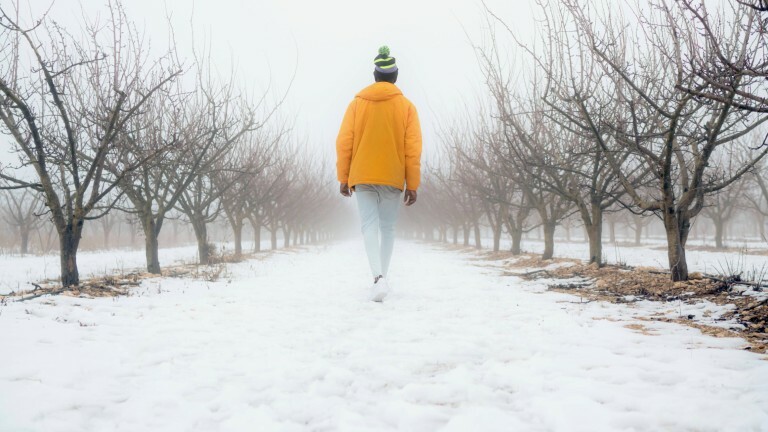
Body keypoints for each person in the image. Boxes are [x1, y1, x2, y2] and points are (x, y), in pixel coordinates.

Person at [336, 45, 423, 302]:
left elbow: (344, 142)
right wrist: (413, 184)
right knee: (388, 228)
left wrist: (344, 177)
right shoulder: (407, 107)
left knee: (368, 226)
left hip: (362, 175)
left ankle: (378, 278)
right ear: (395, 77)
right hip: (393, 177)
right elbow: (413, 148)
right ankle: (382, 277)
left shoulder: (356, 105)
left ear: (375, 76)